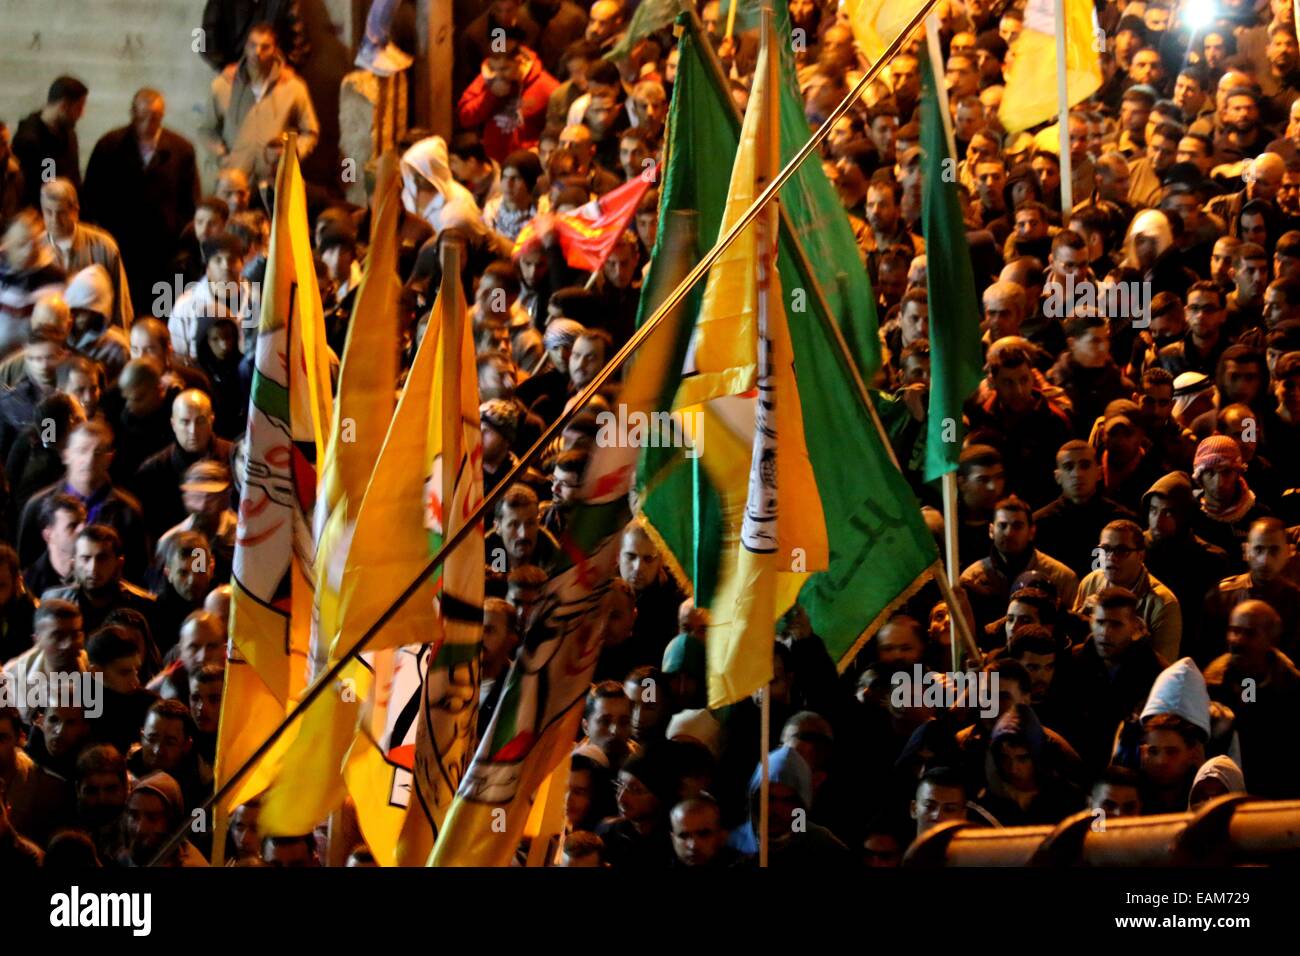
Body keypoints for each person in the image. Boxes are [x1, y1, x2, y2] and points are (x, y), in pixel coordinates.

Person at [82, 88, 200, 316]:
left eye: (154, 117)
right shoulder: (110, 145)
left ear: (162, 117)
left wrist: (180, 231)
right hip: (121, 244)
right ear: (132, 114)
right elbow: (92, 194)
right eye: (141, 116)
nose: (147, 123)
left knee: (159, 310)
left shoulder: (180, 149)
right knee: (122, 305)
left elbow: (190, 199)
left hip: (163, 248)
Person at [200, 22, 319, 184]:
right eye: (252, 45)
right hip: (235, 182)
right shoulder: (223, 85)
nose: (257, 52)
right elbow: (207, 129)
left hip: (276, 181)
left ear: (275, 49)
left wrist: (293, 154)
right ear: (245, 47)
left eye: (265, 47)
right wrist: (223, 157)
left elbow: (310, 131)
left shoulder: (293, 87)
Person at [1205, 600, 1300, 797]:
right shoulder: (1211, 685)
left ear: (1271, 638)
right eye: (1234, 630)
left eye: (1249, 633)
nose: (1237, 640)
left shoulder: (1291, 686)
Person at [959, 496, 1078, 632]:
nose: (1009, 533)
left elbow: (1071, 629)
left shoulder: (1060, 578)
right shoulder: (972, 579)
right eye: (1002, 526)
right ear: (991, 531)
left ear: (1031, 532)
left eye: (1017, 526)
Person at [1073, 520, 1183, 662]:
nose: (1111, 557)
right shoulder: (1090, 582)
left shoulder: (1164, 603)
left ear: (1140, 555)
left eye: (1121, 550)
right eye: (1105, 549)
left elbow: (1165, 668)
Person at [1033, 441, 1135, 578]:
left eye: (1085, 465)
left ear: (1099, 473)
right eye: (1068, 467)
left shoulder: (1123, 522)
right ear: (1057, 477)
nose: (1077, 473)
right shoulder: (1039, 524)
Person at [38, 179, 132, 327]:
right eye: (48, 212)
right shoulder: (36, 249)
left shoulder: (103, 247)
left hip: (97, 338)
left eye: (61, 212)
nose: (54, 220)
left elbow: (121, 303)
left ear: (75, 211)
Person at [42, 523, 157, 637]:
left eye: (102, 558)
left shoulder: (144, 606)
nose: (93, 568)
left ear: (119, 563)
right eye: (85, 558)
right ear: (74, 563)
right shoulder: (54, 602)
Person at [11, 76, 87, 208]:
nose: (82, 114)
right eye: (79, 108)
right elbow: (33, 190)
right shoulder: (29, 141)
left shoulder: (68, 132)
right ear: (63, 106)